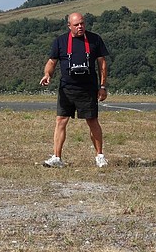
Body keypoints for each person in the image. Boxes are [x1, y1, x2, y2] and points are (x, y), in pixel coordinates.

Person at [40, 12, 109, 168]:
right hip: (67, 88)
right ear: (69, 25)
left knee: (92, 121)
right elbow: (52, 61)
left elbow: (102, 64)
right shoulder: (60, 41)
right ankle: (57, 157)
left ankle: (100, 156)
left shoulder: (95, 39)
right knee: (61, 121)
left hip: (88, 89)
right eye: (77, 24)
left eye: (82, 23)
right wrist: (47, 75)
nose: (80, 27)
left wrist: (103, 86)